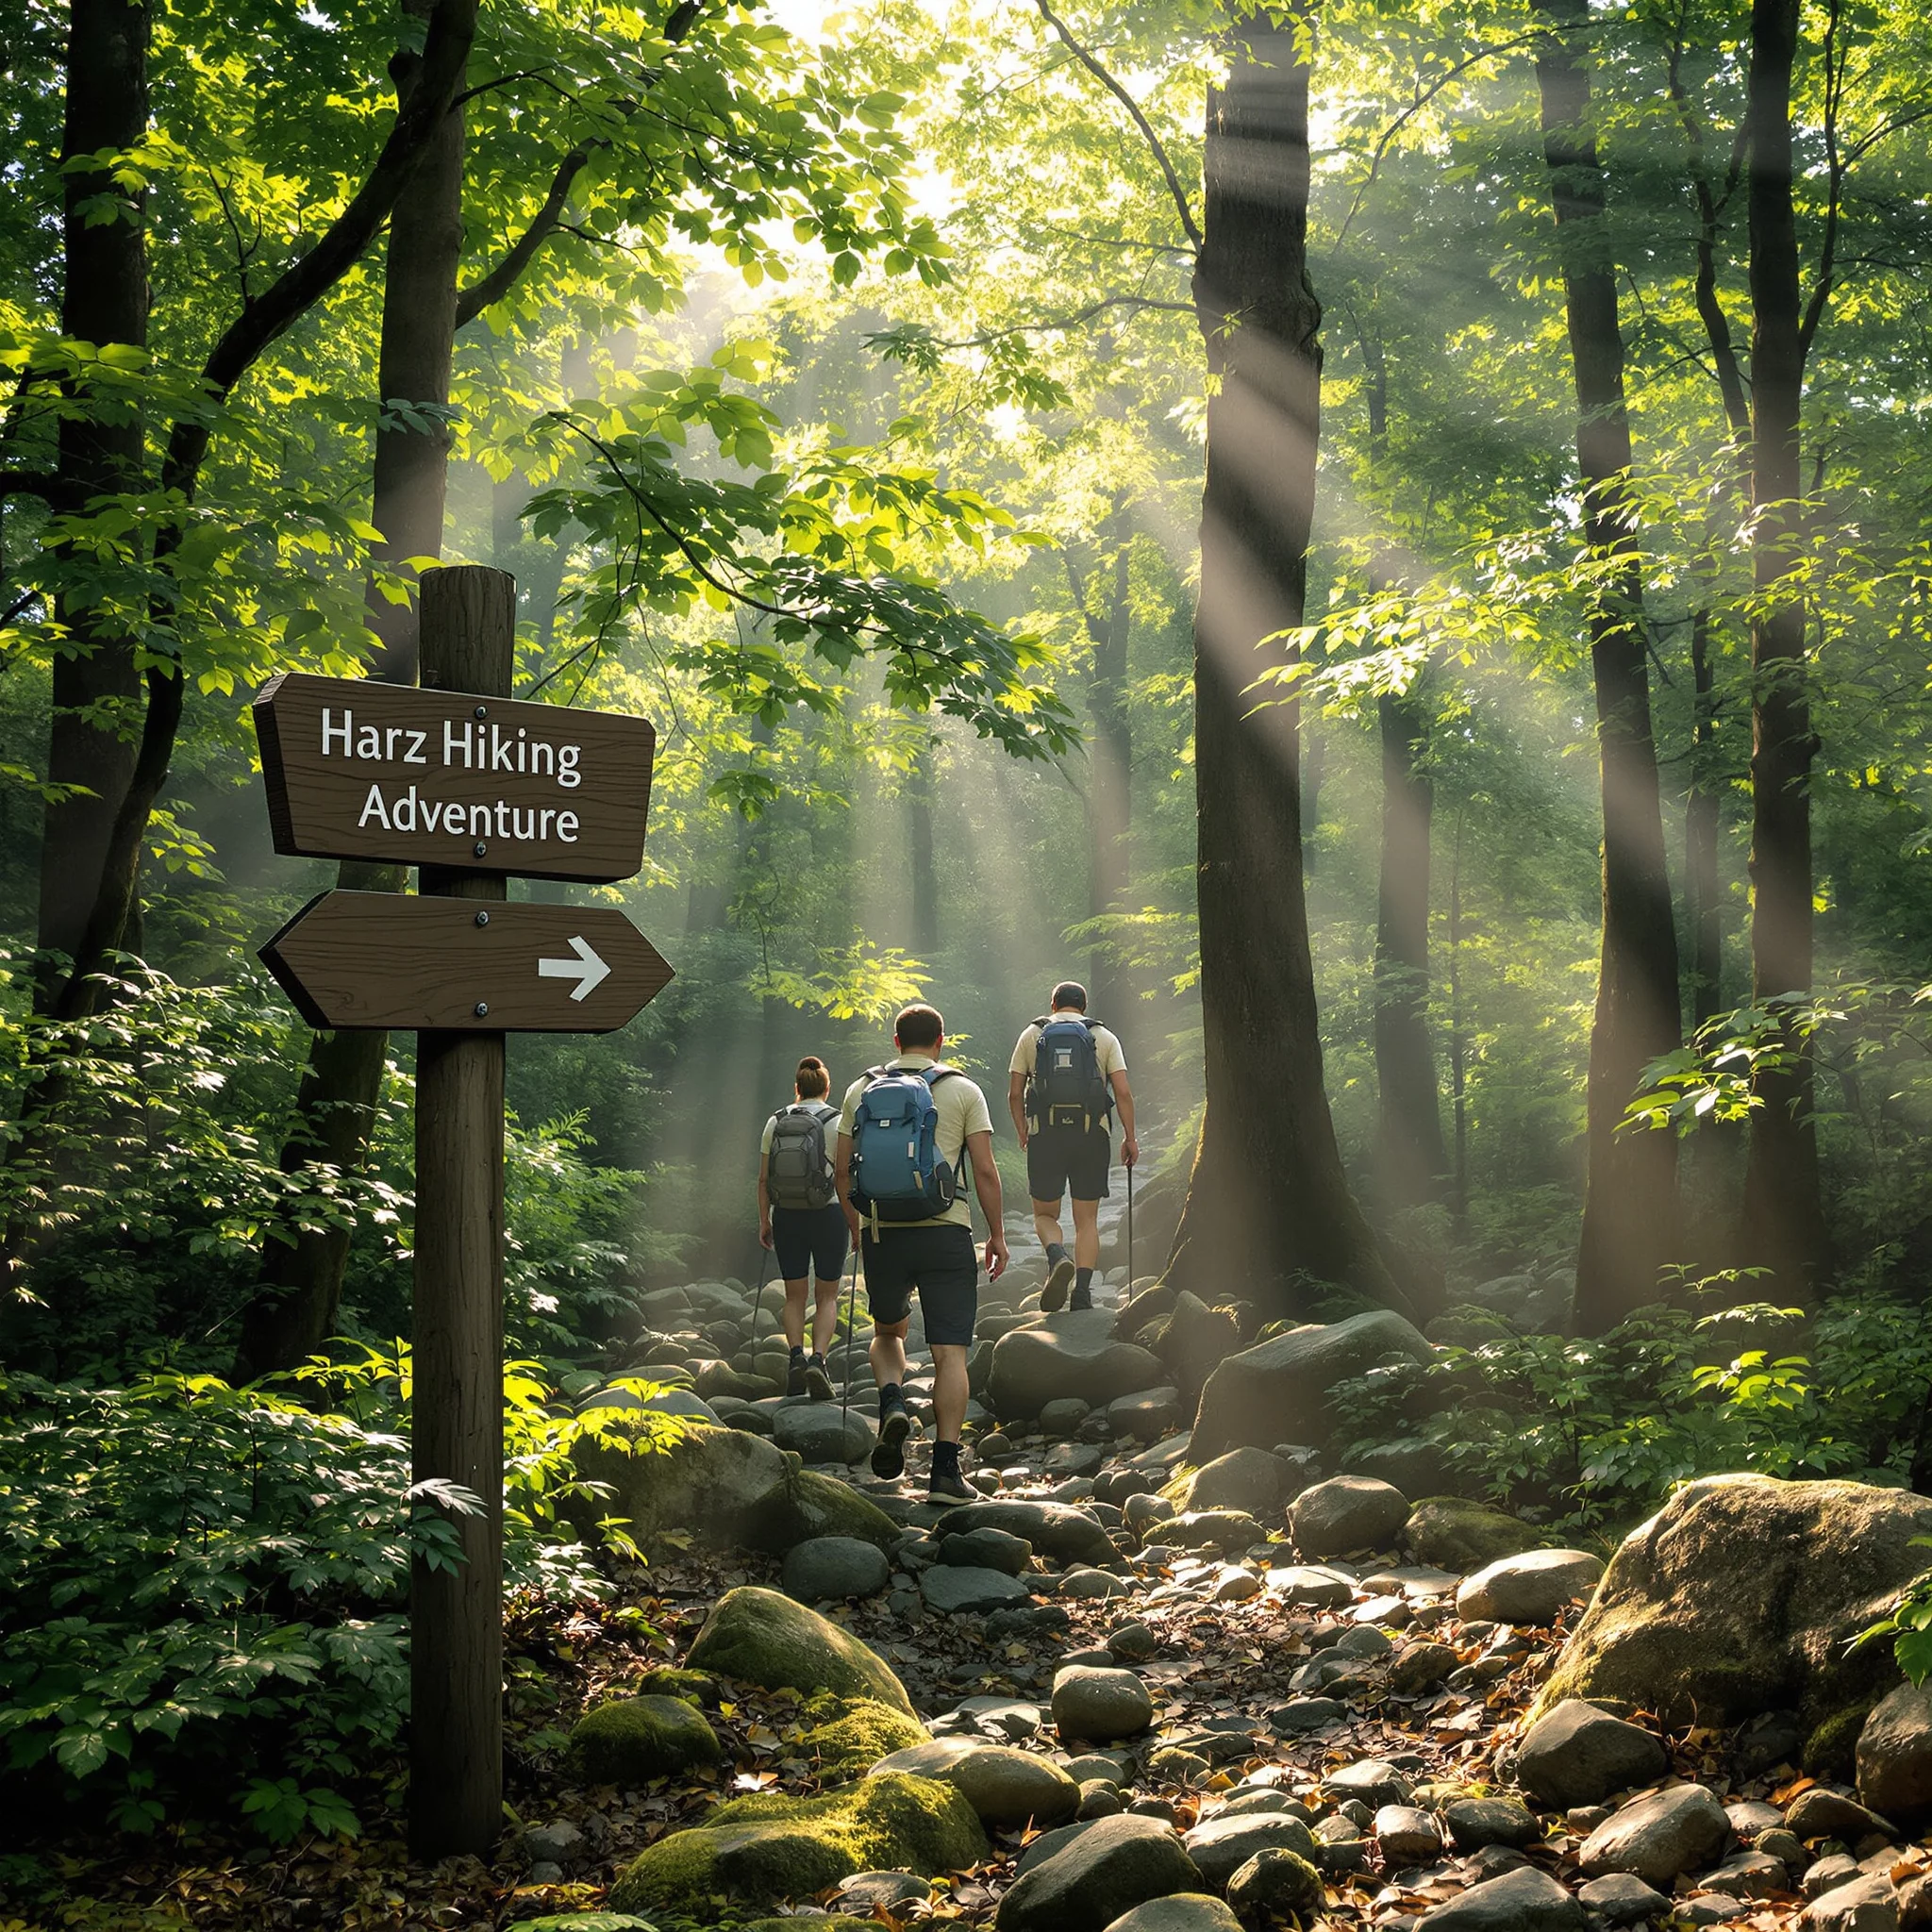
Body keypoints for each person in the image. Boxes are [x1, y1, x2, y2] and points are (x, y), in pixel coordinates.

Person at [835, 1002, 1008, 1501]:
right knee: (950, 1352)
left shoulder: (859, 1090)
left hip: (883, 1232)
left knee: (887, 1332)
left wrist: (858, 1228)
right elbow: (985, 1172)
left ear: (895, 1042)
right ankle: (945, 1475)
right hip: (945, 1232)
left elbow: (843, 1172)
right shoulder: (962, 1090)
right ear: (941, 1042)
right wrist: (996, 1235)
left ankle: (892, 1402)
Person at [1008, 980, 1138, 1312]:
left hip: (1046, 1136)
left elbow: (1014, 1092)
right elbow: (1122, 1092)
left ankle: (1057, 1255)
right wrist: (1129, 1137)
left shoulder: (1032, 1035)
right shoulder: (1103, 1037)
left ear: (1053, 1005)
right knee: (1087, 1220)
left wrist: (1023, 1130)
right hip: (1091, 1135)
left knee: (1044, 1214)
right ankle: (1082, 1294)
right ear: (1084, 1006)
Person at [758, 1056, 846, 1400]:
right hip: (829, 1215)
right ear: (827, 1088)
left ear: (797, 1088)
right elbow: (843, 1176)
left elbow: (764, 1179)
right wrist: (856, 1223)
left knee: (795, 1296)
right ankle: (818, 1360)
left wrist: (764, 1220)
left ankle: (795, 1357)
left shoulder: (776, 1121)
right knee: (827, 1296)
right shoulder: (838, 1121)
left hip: (787, 1215)